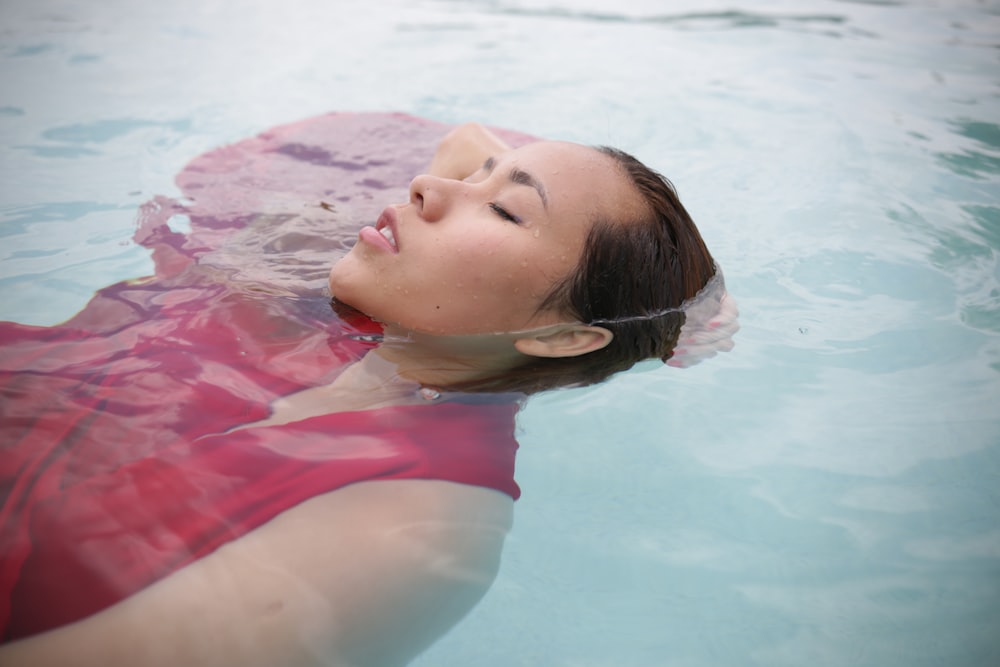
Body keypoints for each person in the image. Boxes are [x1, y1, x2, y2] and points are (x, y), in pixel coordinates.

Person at [0, 112, 737, 666]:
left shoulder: (415, 529)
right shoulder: (324, 297)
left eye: (505, 208)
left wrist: (667, 307)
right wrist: (692, 299)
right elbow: (463, 142)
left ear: (565, 337)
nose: (428, 186)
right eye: (477, 176)